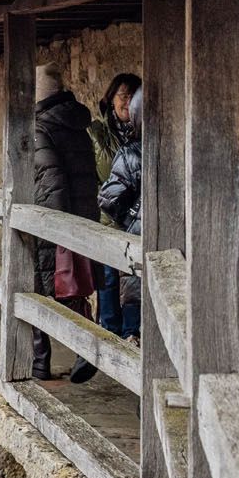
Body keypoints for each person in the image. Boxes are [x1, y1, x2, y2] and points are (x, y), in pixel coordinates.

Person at [32, 62, 101, 381]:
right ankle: (82, 349)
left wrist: (48, 227)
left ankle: (40, 361)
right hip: (82, 216)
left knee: (38, 287)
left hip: (52, 221)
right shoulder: (75, 124)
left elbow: (50, 181)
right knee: (71, 286)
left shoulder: (40, 128)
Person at [87, 72, 142, 339]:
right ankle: (110, 335)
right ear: (111, 98)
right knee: (108, 282)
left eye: (133, 96)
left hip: (137, 224)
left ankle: (132, 337)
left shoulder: (145, 135)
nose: (128, 101)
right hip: (108, 221)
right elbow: (92, 179)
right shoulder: (97, 134)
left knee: (133, 282)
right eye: (123, 95)